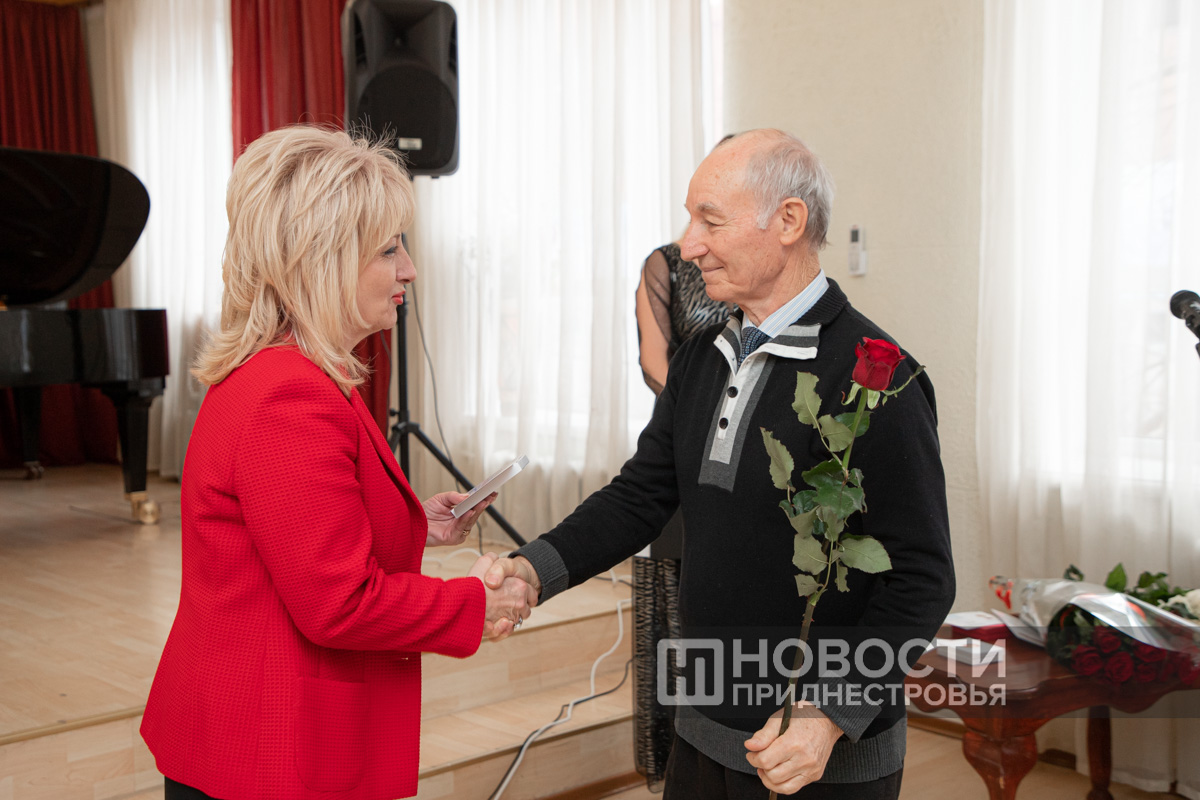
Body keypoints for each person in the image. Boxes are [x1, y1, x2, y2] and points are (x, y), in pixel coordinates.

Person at [488, 129, 955, 799]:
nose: (687, 244)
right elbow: (640, 496)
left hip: (815, 754)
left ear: (788, 221)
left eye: (710, 220)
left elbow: (922, 577)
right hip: (703, 730)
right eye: (690, 220)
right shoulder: (703, 356)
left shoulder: (877, 378)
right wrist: (533, 569)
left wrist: (827, 715)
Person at [140, 125, 536, 800]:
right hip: (269, 749)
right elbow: (340, 603)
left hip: (256, 733)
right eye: (388, 248)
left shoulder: (293, 372)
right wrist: (475, 600)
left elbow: (295, 535)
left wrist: (418, 524)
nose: (409, 269)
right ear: (320, 261)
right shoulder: (290, 395)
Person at [632, 238, 732, 789]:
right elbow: (654, 362)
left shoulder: (761, 271)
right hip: (687, 440)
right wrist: (710, 418)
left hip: (747, 454)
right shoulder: (666, 264)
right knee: (679, 613)